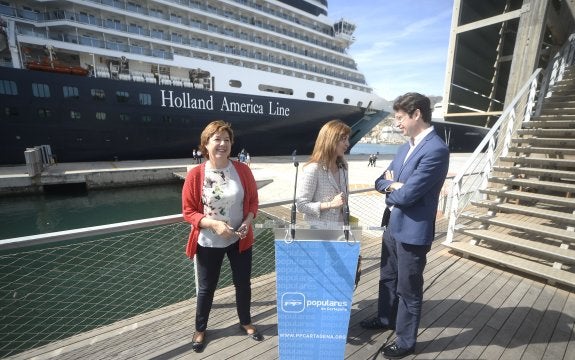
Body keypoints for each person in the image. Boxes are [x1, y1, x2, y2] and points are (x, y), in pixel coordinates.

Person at [361, 93, 449, 359]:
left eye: (400, 118)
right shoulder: (404, 148)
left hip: (412, 232)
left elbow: (408, 195)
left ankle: (406, 341)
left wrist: (395, 188)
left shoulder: (436, 149)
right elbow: (380, 180)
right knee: (387, 278)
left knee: (408, 289)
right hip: (392, 226)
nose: (397, 124)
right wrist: (393, 185)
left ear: (416, 114)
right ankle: (385, 318)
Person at [182, 120, 263, 353]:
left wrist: (248, 221)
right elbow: (189, 212)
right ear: (205, 144)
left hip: (240, 238)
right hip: (209, 241)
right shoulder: (196, 175)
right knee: (207, 288)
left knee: (243, 284)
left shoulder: (243, 170)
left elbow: (253, 202)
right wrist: (214, 226)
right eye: (217, 139)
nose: (223, 144)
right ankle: (200, 329)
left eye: (227, 140)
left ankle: (245, 322)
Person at [296, 119, 350, 225]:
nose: (348, 144)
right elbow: (301, 205)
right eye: (344, 139)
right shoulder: (314, 169)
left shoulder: (343, 168)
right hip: (319, 233)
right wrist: (330, 204)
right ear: (331, 140)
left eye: (348, 139)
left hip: (341, 230)